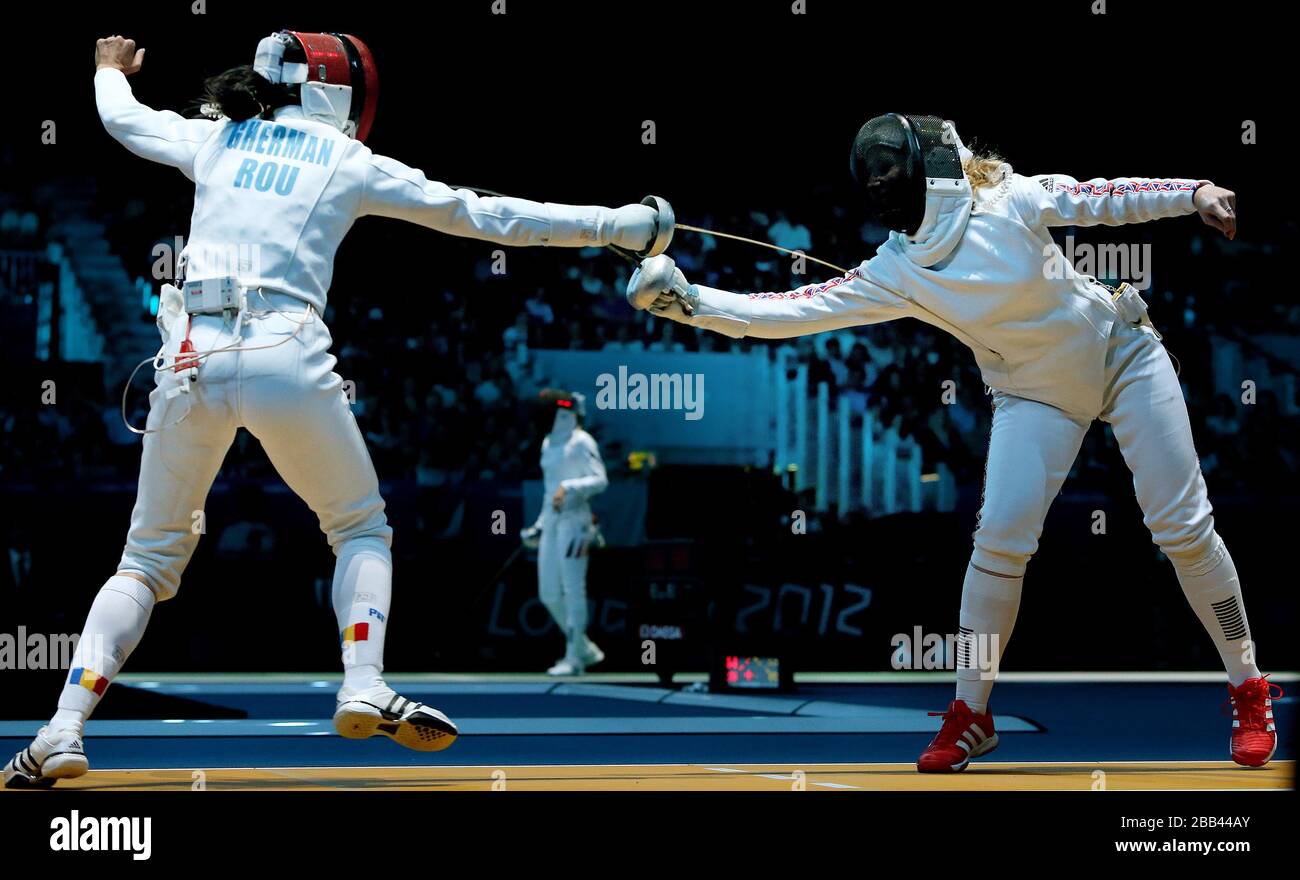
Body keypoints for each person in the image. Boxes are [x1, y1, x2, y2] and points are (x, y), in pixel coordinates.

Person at [3, 32, 667, 789]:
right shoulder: (346, 160)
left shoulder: (218, 139)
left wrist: (105, 71)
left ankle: (61, 730)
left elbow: (123, 119)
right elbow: (482, 215)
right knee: (357, 525)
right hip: (286, 354)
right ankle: (361, 681)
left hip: (191, 359)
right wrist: (617, 226)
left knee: (147, 560)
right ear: (339, 91)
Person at [627, 113, 1280, 772]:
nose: (883, 186)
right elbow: (790, 312)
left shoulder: (1011, 199)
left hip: (1124, 358)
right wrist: (693, 303)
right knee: (997, 541)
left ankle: (1248, 684)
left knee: (1183, 529)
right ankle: (972, 712)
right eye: (874, 178)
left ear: (926, 167)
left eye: (890, 172)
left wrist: (1193, 192)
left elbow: (1103, 198)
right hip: (1035, 396)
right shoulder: (897, 268)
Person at [521, 390, 608, 675]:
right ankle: (585, 648)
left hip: (576, 523)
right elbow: (550, 492)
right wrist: (540, 524)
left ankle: (574, 658)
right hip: (554, 523)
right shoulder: (548, 443)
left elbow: (600, 479)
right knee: (548, 593)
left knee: (573, 589)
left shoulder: (582, 442)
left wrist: (570, 487)